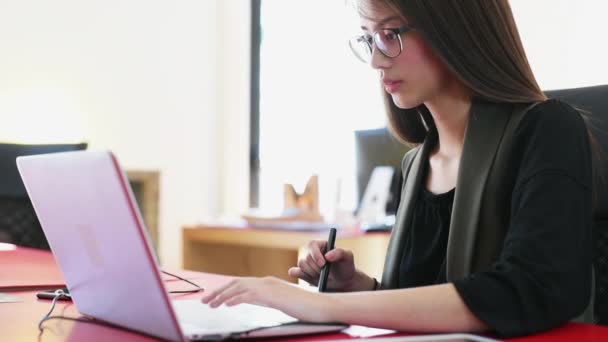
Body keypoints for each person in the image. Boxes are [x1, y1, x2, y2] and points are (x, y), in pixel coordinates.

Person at [202, 0, 596, 337]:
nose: (375, 60)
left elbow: (528, 290)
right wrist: (356, 288)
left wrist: (318, 307)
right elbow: (427, 306)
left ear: (454, 29)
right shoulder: (416, 163)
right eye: (369, 38)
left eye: (391, 35)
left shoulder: (549, 129)